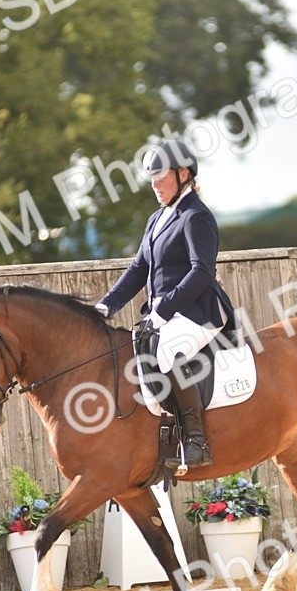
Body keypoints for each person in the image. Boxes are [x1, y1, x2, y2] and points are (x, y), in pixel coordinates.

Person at [94, 139, 236, 468]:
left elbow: (202, 272)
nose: (155, 186)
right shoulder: (157, 218)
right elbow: (138, 269)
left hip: (199, 312)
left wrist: (163, 311)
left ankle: (197, 441)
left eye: (161, 178)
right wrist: (106, 306)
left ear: (183, 174)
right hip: (165, 314)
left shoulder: (196, 217)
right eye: (152, 180)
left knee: (169, 351)